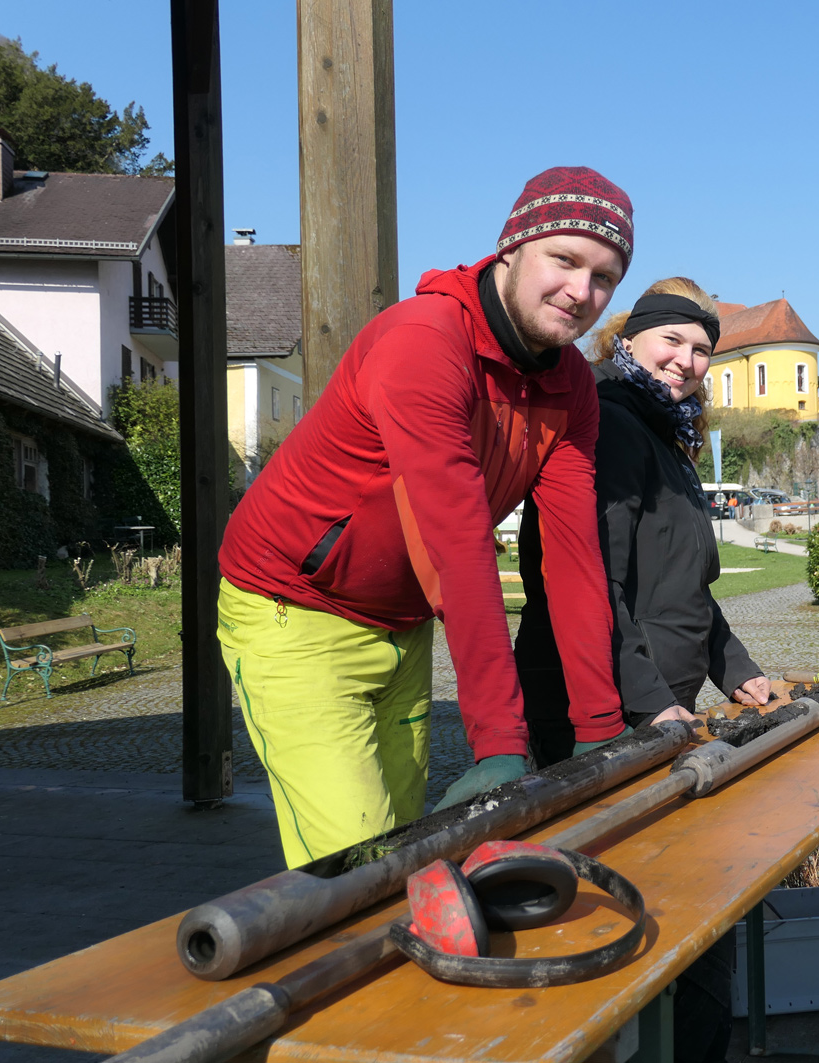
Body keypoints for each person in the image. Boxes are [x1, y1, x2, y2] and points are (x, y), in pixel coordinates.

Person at [217, 166, 633, 869]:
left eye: (604, 277)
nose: (581, 291)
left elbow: (571, 559)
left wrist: (600, 729)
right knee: (357, 865)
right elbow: (457, 542)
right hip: (295, 608)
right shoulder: (424, 341)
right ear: (512, 247)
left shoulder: (571, 388)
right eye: (563, 259)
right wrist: (500, 742)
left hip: (401, 628)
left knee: (410, 847)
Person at [514, 278, 770, 1063]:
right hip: (596, 716)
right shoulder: (609, 427)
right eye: (674, 342)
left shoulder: (669, 438)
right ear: (631, 338)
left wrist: (742, 673)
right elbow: (587, 587)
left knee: (686, 918)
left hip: (660, 712)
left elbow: (689, 591)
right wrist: (654, 702)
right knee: (616, 915)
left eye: (702, 350)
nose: (688, 360)